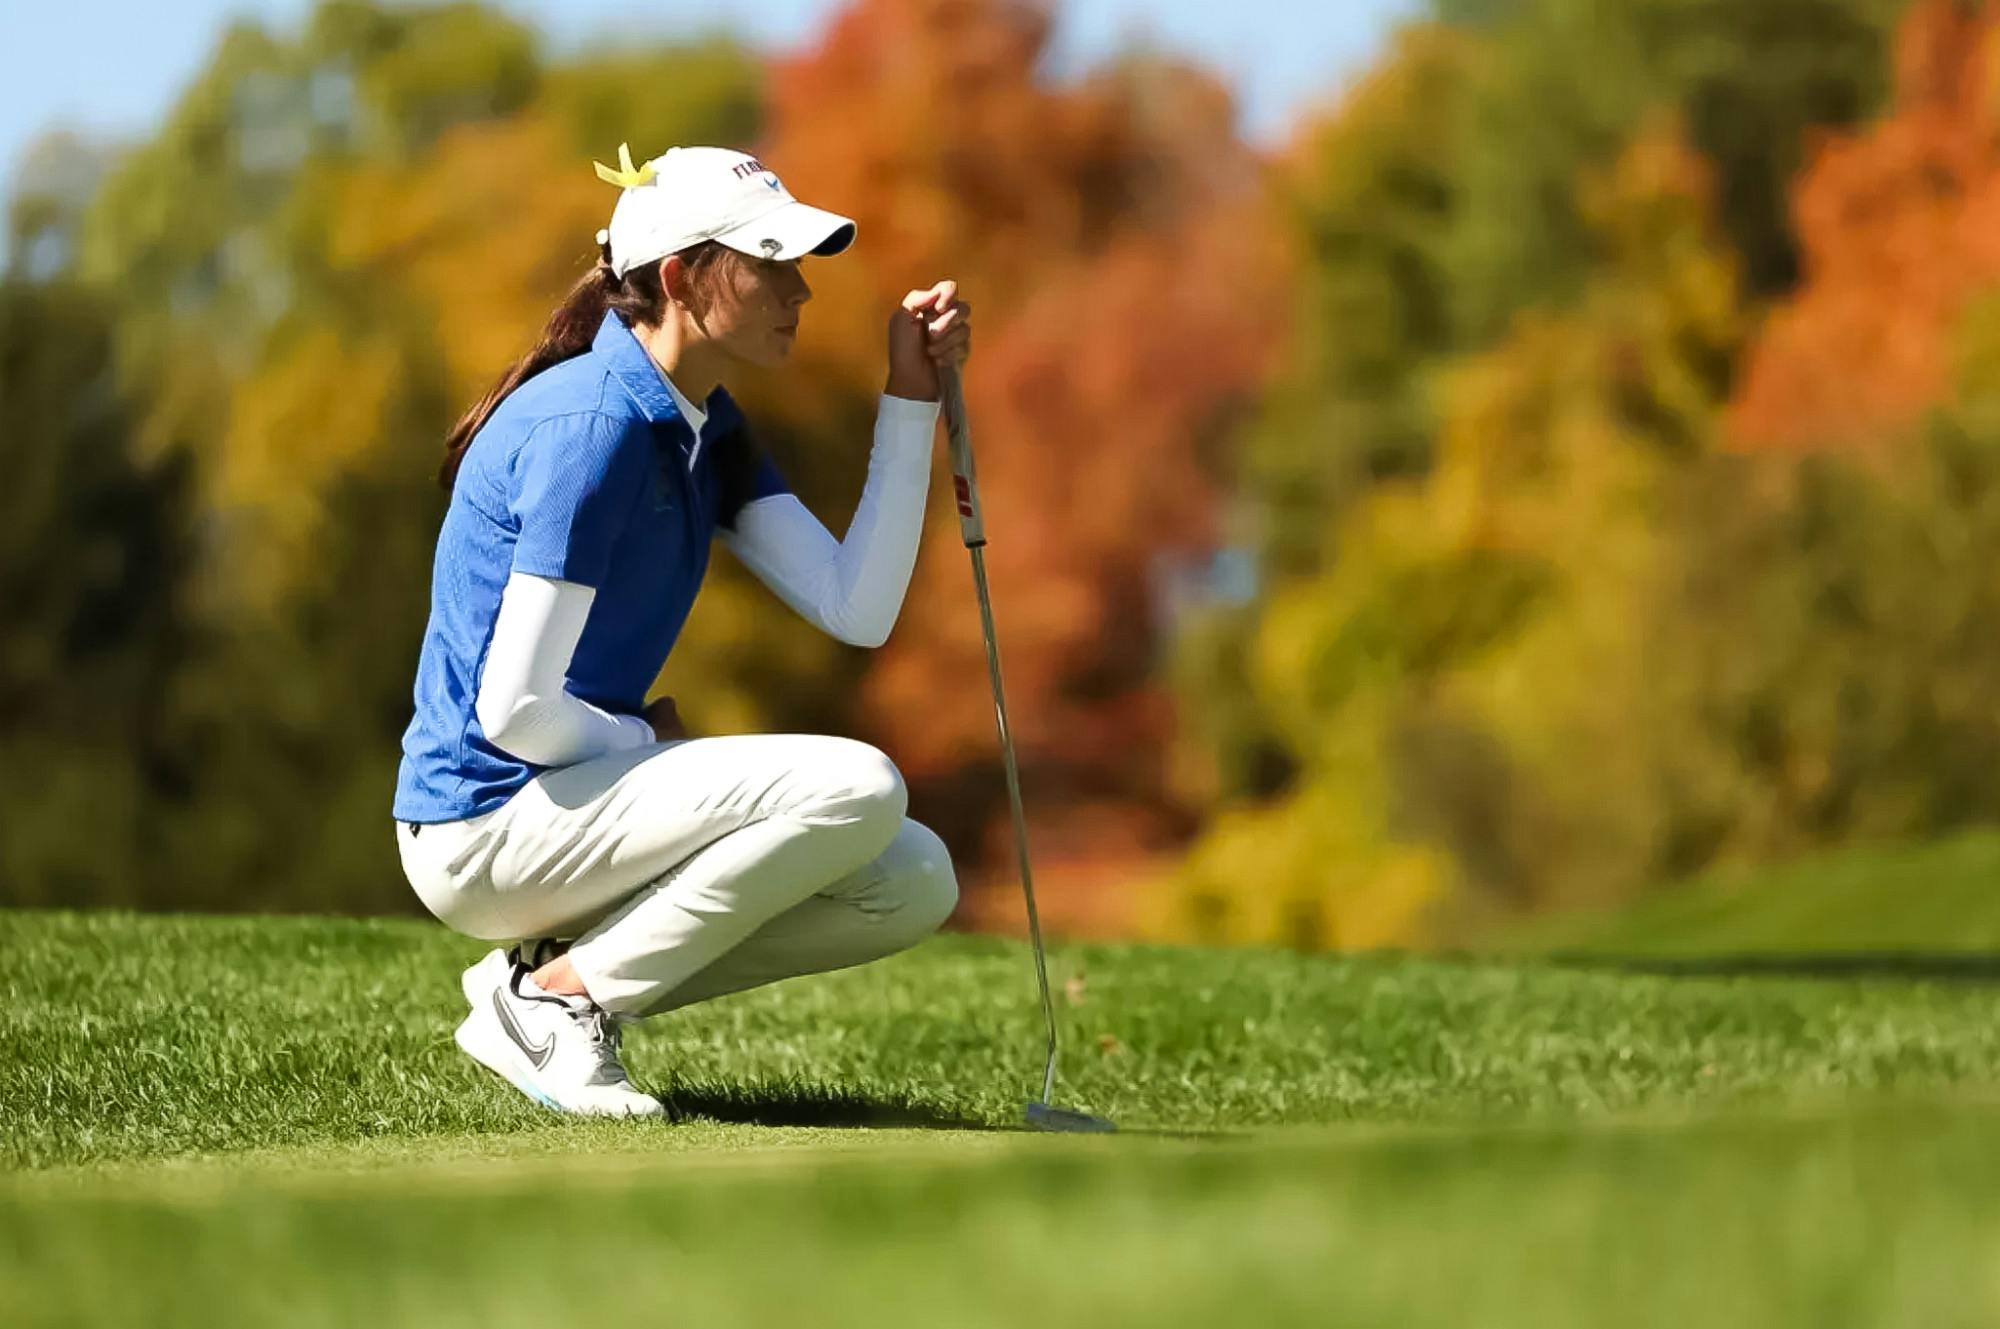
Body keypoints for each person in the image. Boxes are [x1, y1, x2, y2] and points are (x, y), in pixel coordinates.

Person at [391, 144, 972, 1117]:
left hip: (569, 801)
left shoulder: (702, 426)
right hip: (481, 823)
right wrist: (641, 740)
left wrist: (910, 394)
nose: (799, 291)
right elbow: (515, 712)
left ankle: (553, 978)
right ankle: (558, 1000)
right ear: (679, 277)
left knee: (913, 879)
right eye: (769, 263)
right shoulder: (594, 427)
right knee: (859, 786)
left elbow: (856, 606)